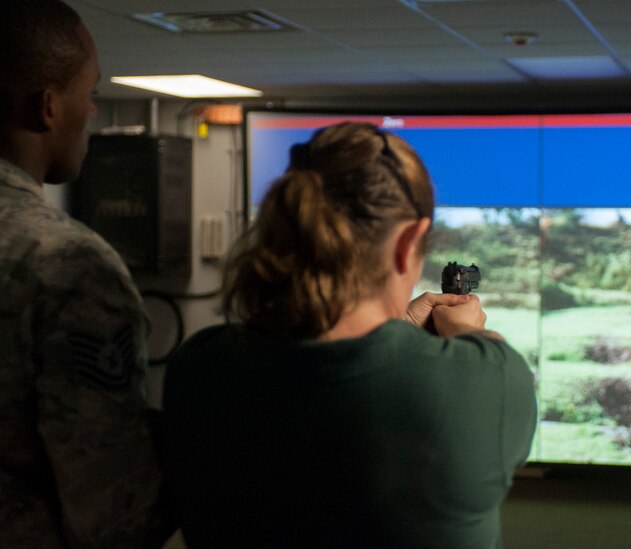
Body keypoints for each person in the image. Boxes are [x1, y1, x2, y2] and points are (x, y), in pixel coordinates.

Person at [163, 122, 537, 548]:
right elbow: (488, 375)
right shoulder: (489, 379)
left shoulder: (199, 366)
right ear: (406, 243)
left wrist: (403, 330)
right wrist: (470, 337)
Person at [0, 1, 166, 547]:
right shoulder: (67, 265)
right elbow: (113, 513)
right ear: (48, 106)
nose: (92, 111)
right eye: (89, 93)